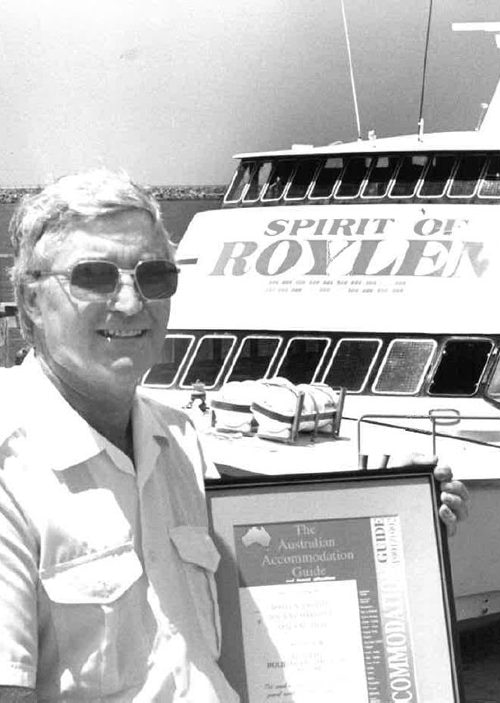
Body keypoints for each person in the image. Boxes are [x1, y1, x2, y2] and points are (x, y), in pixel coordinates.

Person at [0, 169, 468, 701]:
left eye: (153, 276)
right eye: (95, 276)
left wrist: (404, 523)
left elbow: (264, 607)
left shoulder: (179, 441)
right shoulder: (10, 469)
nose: (131, 303)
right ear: (31, 300)